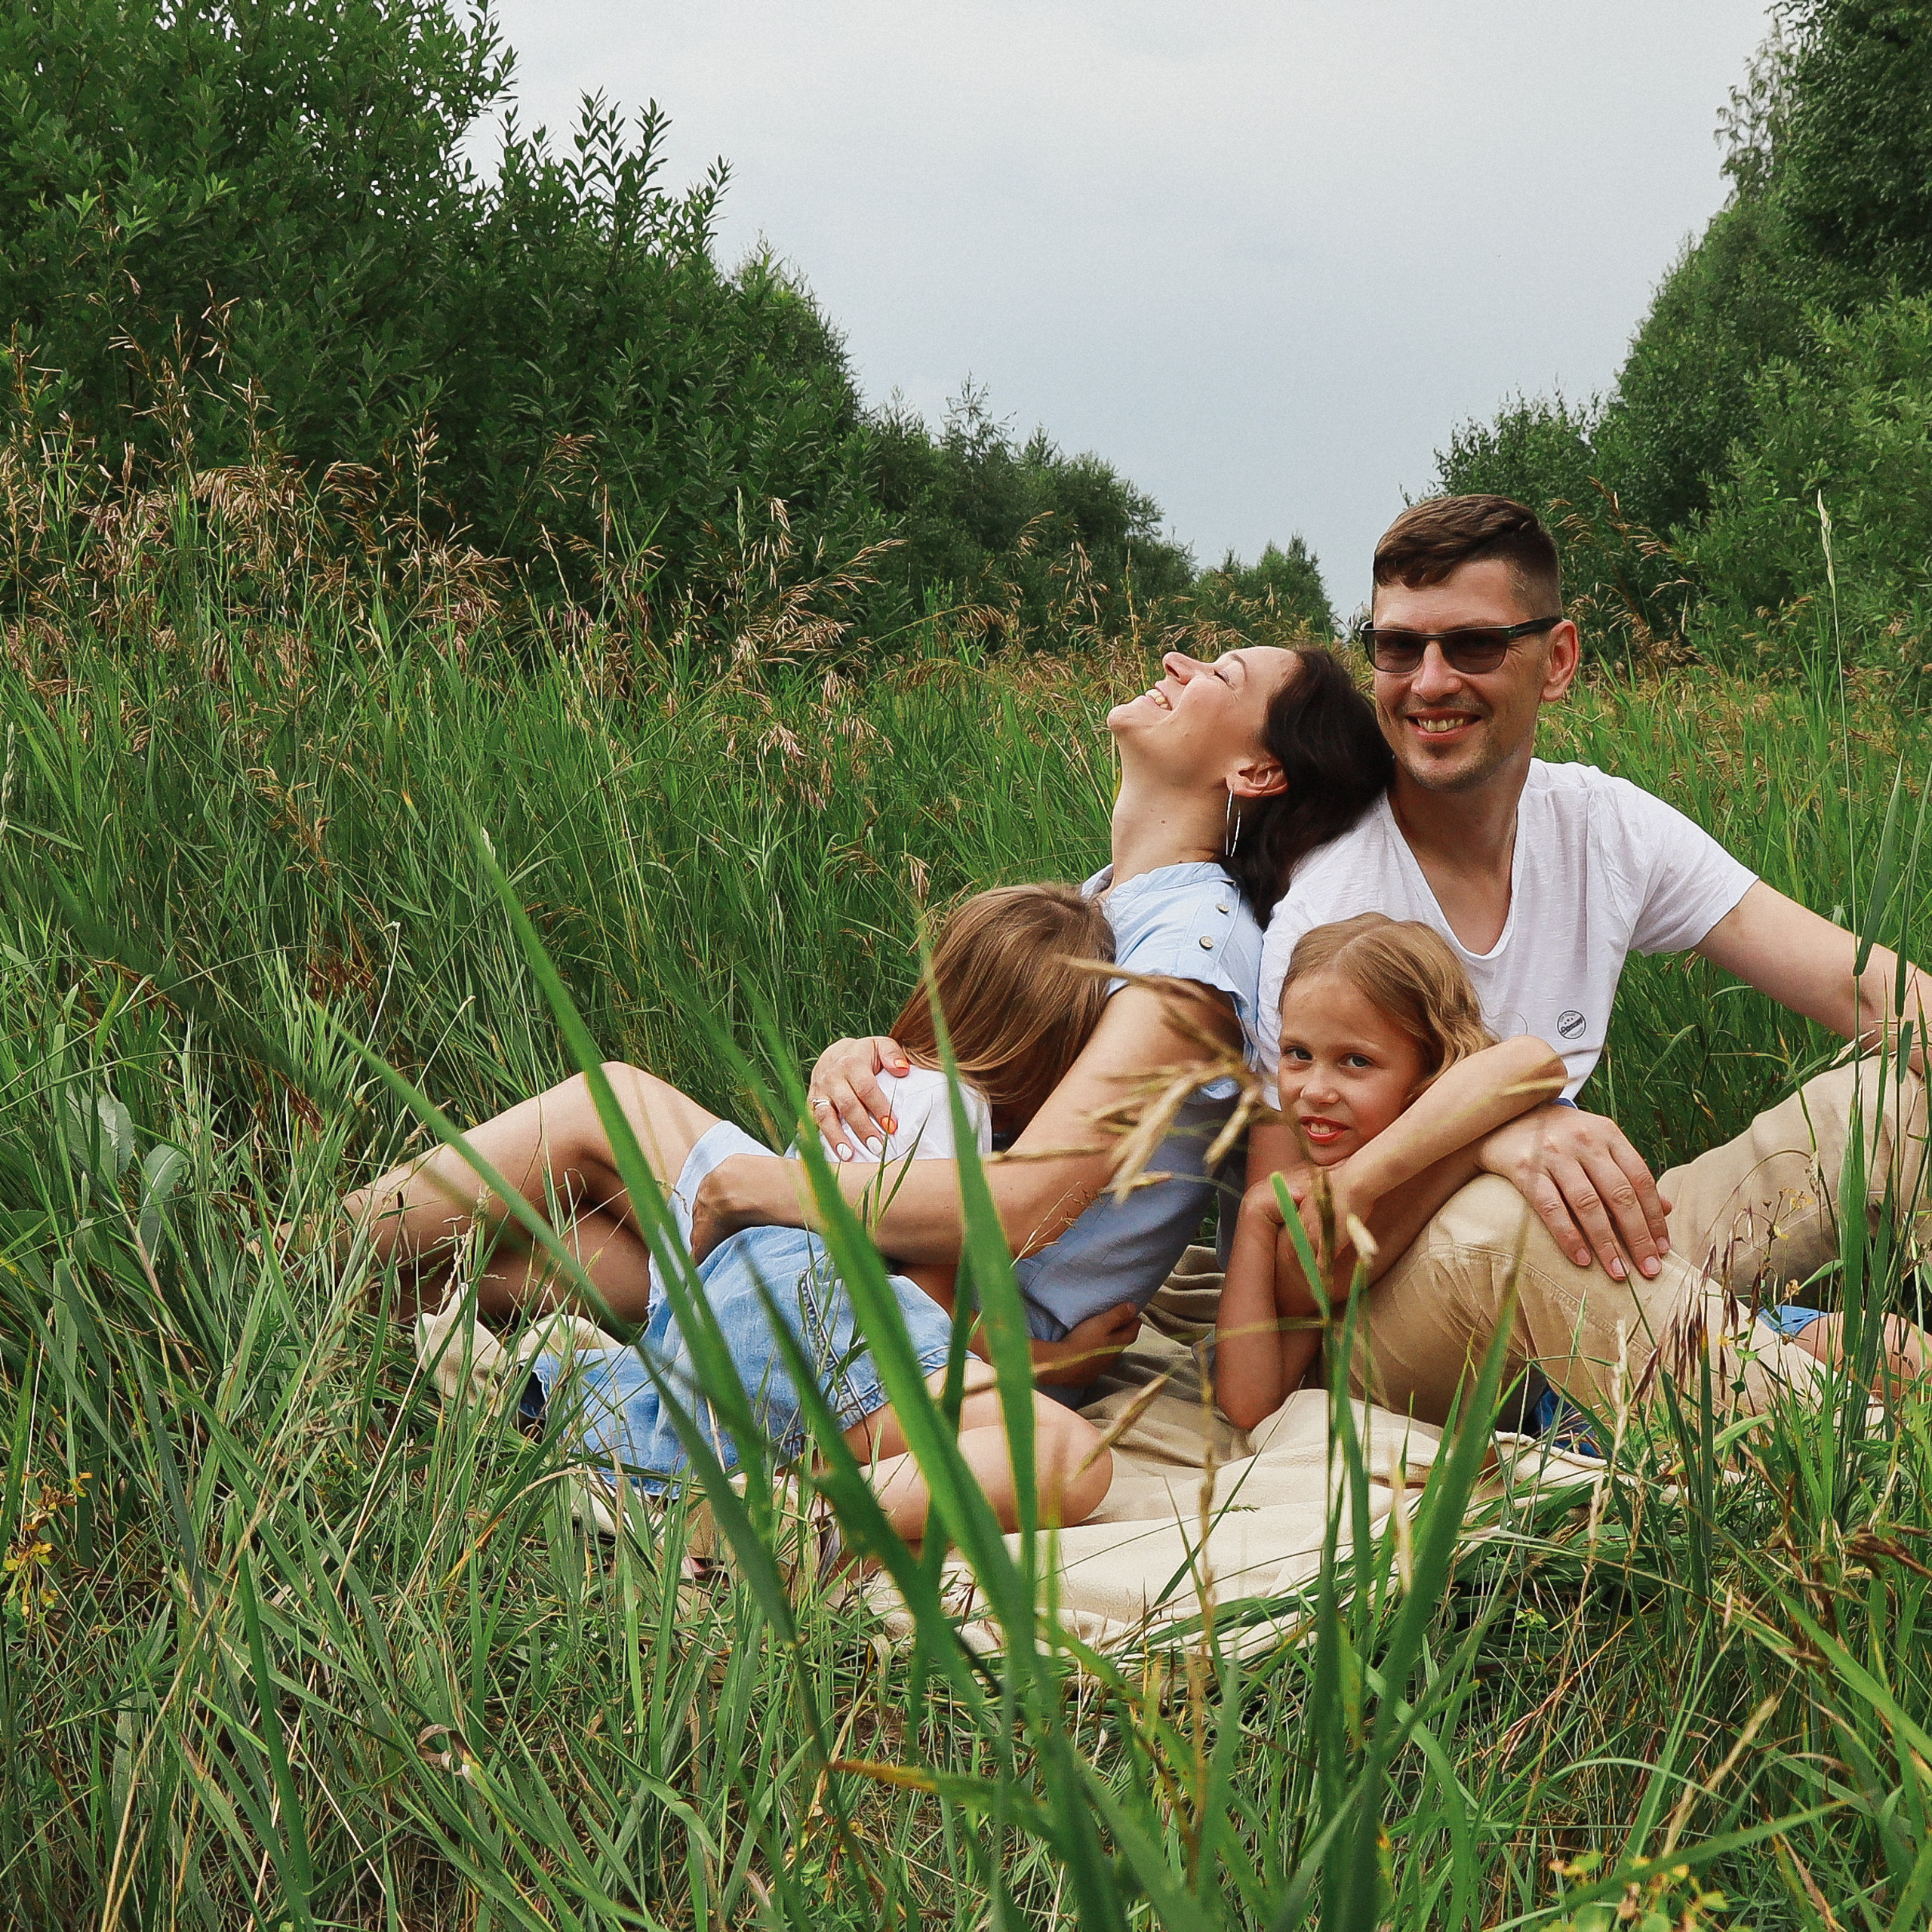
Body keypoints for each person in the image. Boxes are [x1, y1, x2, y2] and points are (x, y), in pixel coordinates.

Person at [1246, 494, 1932, 1423]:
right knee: (1509, 1221)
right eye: (1398, 647)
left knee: (1904, 1094)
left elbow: (1868, 988)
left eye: (1474, 646)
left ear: (1557, 659)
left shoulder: (1598, 823)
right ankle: (1856, 1463)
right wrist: (1483, 1132)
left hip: (1582, 1236)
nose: (1428, 681)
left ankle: (1749, 1352)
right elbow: (1287, 1279)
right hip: (1387, 1323)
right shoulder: (1330, 906)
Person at [694, 645, 1395, 1395]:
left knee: (601, 1109)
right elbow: (978, 1088)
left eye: (1220, 674)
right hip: (885, 1268)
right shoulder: (1108, 903)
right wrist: (863, 1056)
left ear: (1256, 772)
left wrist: (752, 1185)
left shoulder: (1195, 953)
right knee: (569, 1236)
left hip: (962, 1333)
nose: (1175, 662)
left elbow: (1027, 1200)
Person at [363, 882, 1119, 1539]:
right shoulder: (961, 1112)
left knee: (577, 1244)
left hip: (736, 1286)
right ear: (1052, 1056)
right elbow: (922, 1309)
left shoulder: (878, 1079)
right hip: (812, 1300)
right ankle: (792, 1520)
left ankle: (369, 1292)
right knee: (1067, 1455)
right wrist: (1064, 1359)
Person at [1215, 915, 1564, 1429]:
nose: (1315, 1090)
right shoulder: (1293, 1202)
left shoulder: (1416, 1139)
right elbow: (1249, 1406)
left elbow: (1536, 1060)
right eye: (1298, 1054)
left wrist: (1369, 1178)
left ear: (1431, 1068)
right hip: (1395, 1389)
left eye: (1355, 1061)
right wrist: (1254, 1216)